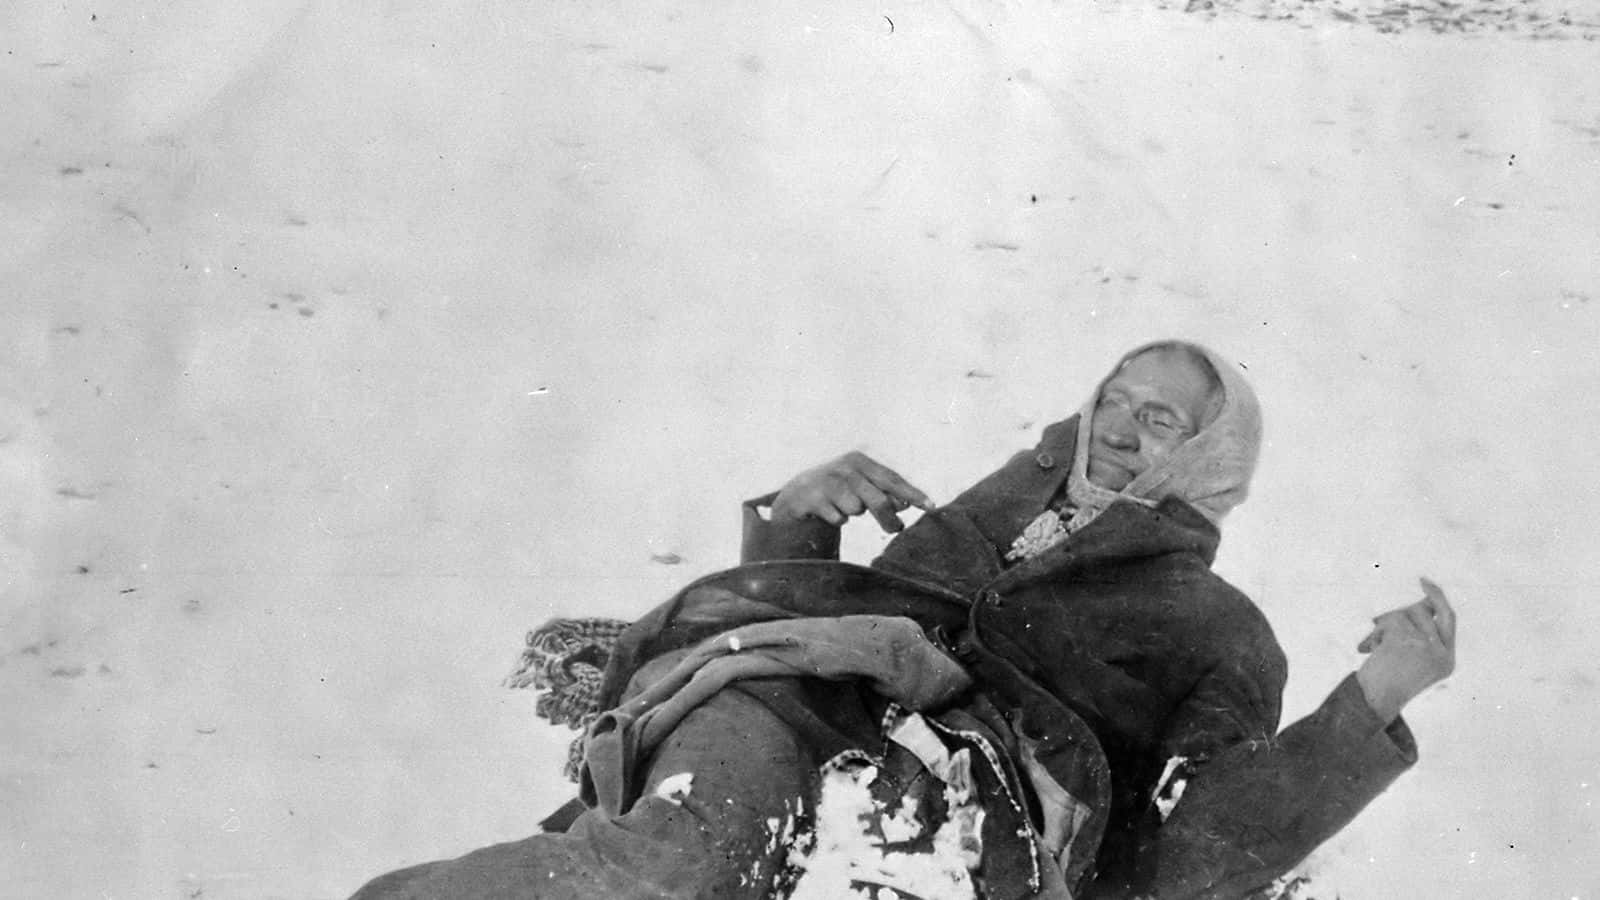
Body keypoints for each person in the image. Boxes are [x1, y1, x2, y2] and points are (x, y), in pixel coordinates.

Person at [350, 340, 1457, 900]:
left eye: (1158, 418)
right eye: (1113, 399)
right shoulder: (983, 512)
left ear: (1209, 460)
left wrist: (1369, 707)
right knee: (681, 864)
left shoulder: (1220, 628)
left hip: (965, 819)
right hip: (783, 709)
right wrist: (798, 521)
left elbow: (1196, 849)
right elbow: (830, 627)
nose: (1118, 428)